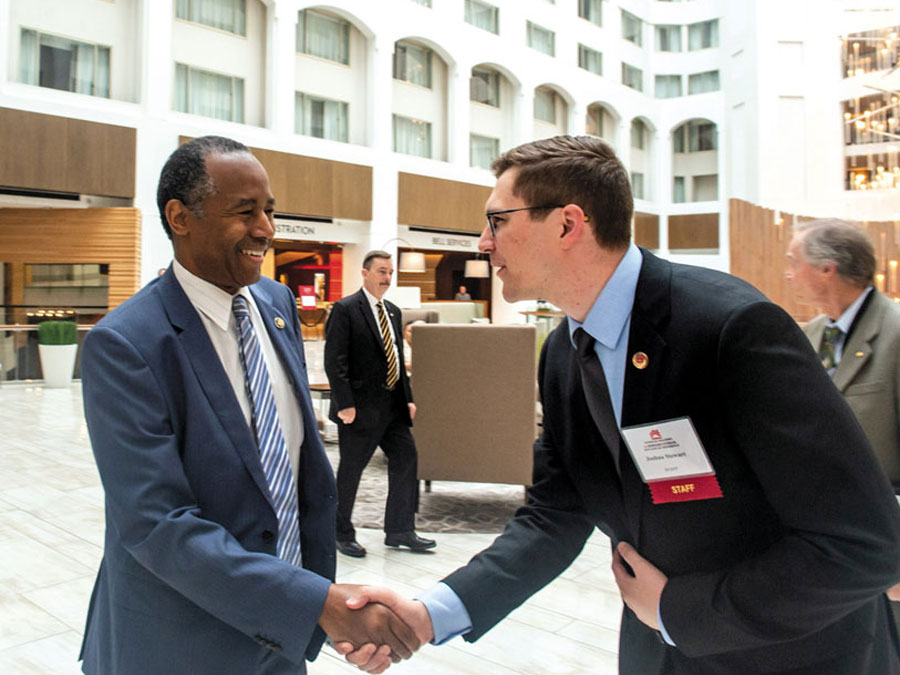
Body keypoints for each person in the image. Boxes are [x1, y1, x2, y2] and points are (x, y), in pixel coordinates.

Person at [339, 136, 900, 674]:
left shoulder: (730, 328)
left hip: (793, 656)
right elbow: (554, 513)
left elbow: (863, 545)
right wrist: (431, 614)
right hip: (656, 654)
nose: (484, 243)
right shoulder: (563, 352)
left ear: (567, 223)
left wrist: (680, 612)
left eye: (497, 221)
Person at [78, 136, 419, 675]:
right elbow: (157, 524)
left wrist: (315, 605)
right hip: (179, 645)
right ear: (180, 217)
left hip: (280, 641)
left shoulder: (276, 302)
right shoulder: (125, 345)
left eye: (269, 210)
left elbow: (296, 472)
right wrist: (314, 605)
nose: (266, 228)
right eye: (245, 212)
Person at [786, 217, 900, 621]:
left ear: (826, 269)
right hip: (824, 553)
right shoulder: (810, 334)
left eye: (793, 261)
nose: (788, 272)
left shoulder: (896, 332)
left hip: (884, 549)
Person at [324, 252, 435, 558]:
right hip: (359, 408)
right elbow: (335, 360)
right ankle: (340, 532)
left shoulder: (394, 311)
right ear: (365, 273)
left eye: (390, 272)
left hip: (393, 406)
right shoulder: (345, 309)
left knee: (407, 458)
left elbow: (396, 358)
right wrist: (344, 403)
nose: (387, 277)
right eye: (381, 271)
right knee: (351, 470)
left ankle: (400, 530)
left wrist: (408, 398)